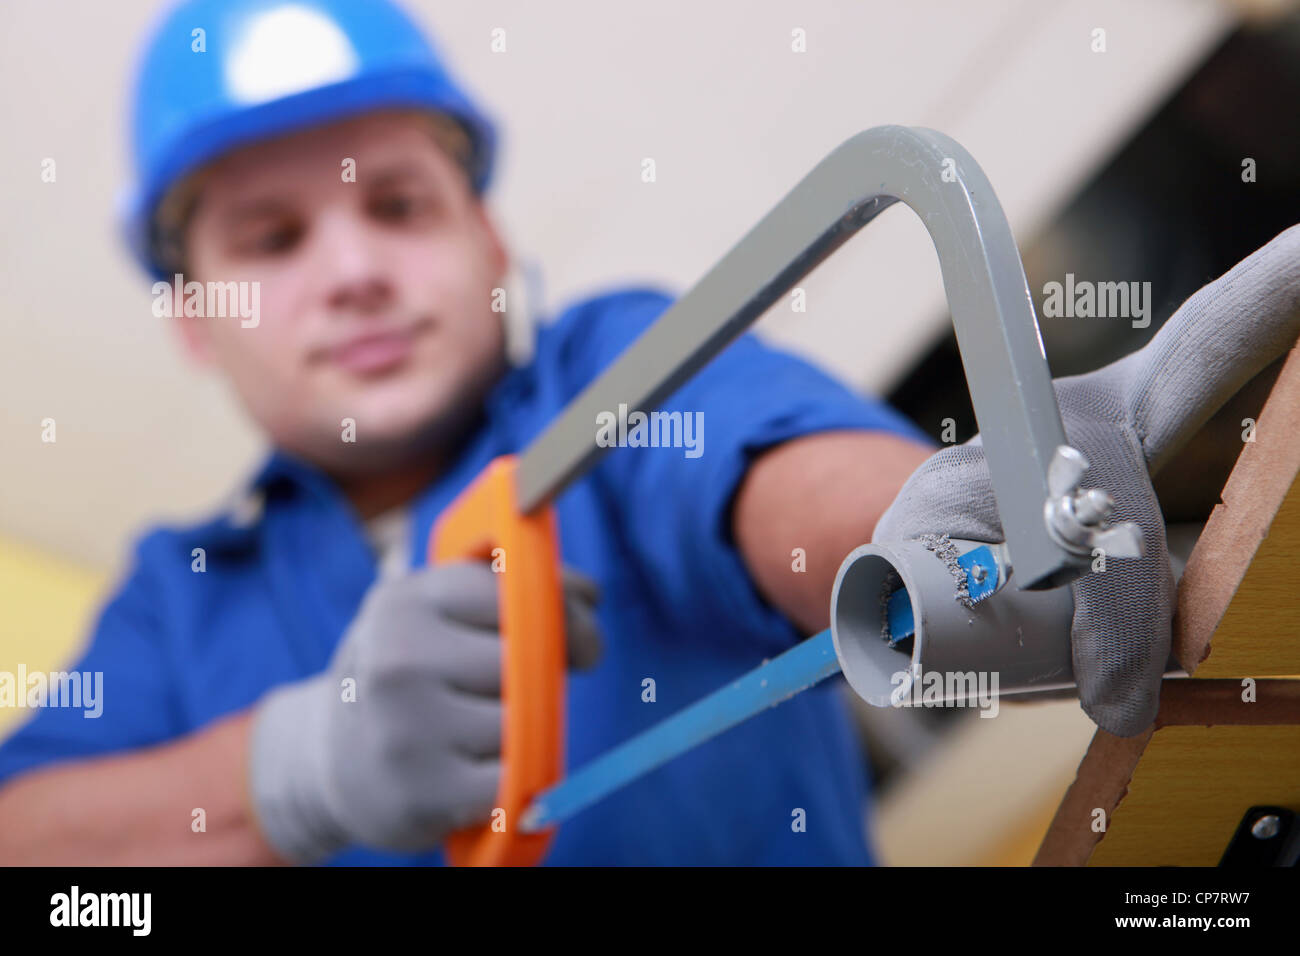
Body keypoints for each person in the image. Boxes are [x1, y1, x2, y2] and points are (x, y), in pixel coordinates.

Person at [0, 0, 936, 865]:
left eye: (399, 207)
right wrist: (298, 768)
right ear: (196, 320)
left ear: (488, 238)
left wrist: (964, 533)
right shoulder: (176, 597)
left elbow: (807, 485)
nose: (356, 271)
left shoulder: (610, 374)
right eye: (274, 240)